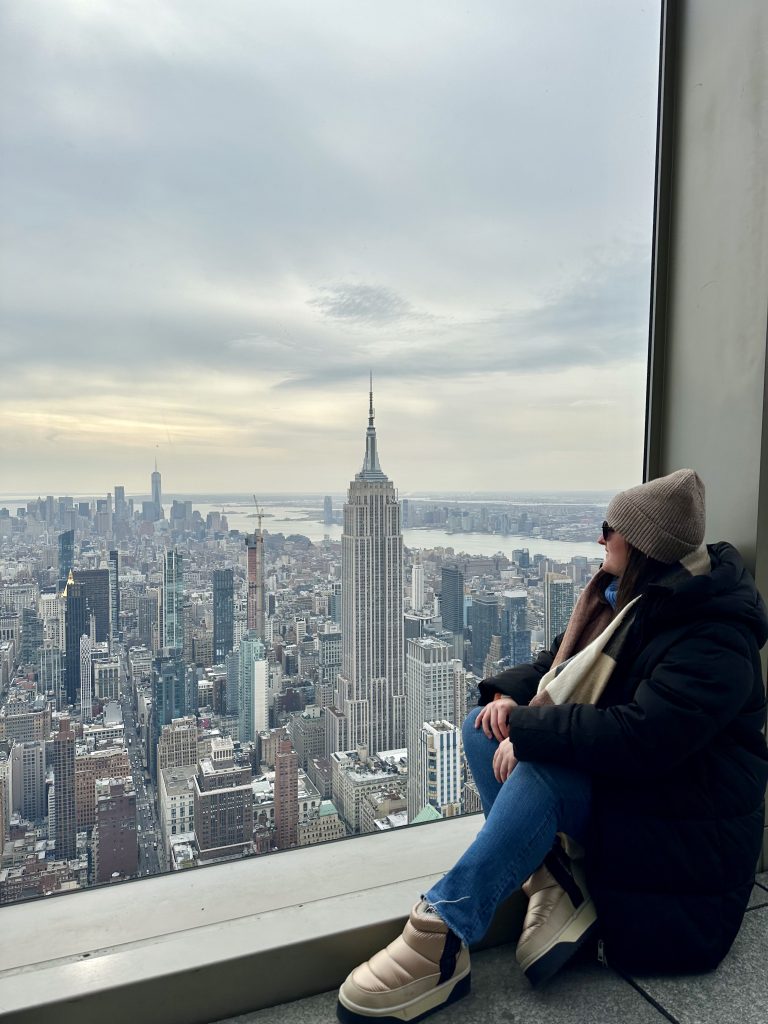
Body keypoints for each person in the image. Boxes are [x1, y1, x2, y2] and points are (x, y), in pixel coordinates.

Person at [337, 469, 768, 1024]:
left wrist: (530, 731)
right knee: (480, 728)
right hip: (645, 798)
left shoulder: (712, 635)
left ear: (641, 544)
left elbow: (643, 737)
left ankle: (441, 934)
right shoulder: (629, 602)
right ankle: (555, 878)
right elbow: (558, 666)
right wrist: (506, 700)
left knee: (542, 773)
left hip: (683, 836)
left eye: (609, 528)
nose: (599, 537)